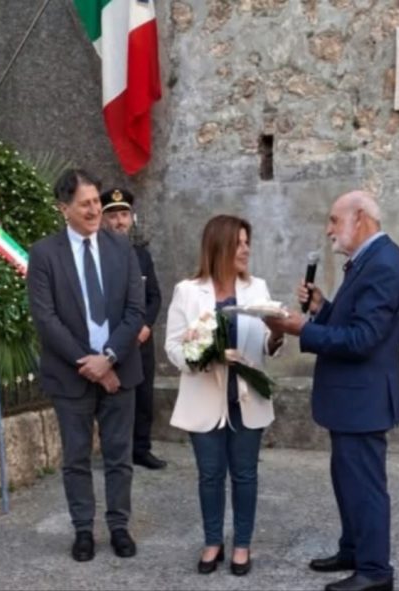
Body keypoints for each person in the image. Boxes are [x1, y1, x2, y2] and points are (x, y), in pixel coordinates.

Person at [264, 191, 399, 591]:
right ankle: (354, 549)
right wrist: (322, 308)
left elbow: (363, 340)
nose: (329, 229)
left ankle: (375, 572)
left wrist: (303, 330)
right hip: (351, 400)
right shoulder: (366, 262)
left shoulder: (382, 265)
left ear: (359, 217)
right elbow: (353, 323)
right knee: (347, 479)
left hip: (362, 400)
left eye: (333, 219)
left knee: (364, 485)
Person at [27, 169, 145, 562]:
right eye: (86, 204)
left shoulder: (120, 248)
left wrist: (109, 358)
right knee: (76, 458)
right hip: (71, 374)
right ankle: (82, 530)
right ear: (64, 209)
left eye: (96, 201)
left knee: (118, 456)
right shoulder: (45, 254)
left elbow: (134, 310)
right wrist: (89, 363)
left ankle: (119, 527)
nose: (96, 210)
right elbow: (45, 319)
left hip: (119, 370)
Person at [164, 214, 284, 576]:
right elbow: (172, 345)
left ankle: (243, 544)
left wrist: (277, 335)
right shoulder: (188, 290)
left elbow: (265, 343)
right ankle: (213, 541)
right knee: (210, 475)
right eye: (240, 242)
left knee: (245, 475)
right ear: (220, 245)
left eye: (248, 242)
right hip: (204, 398)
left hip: (247, 397)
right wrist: (203, 356)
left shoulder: (257, 288)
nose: (246, 249)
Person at [100, 188, 165, 470]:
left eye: (124, 215)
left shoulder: (142, 256)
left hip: (141, 340)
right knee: (113, 397)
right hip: (114, 340)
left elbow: (154, 296)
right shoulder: (96, 256)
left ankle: (141, 448)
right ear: (104, 220)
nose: (119, 221)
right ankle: (116, 451)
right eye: (113, 216)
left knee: (143, 397)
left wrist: (146, 325)